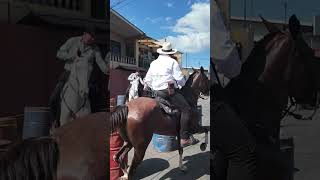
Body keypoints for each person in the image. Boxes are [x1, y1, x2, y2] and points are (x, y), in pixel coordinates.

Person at [212, 1, 256, 180]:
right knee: (244, 149)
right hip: (213, 95)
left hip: (157, 93)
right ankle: (183, 135)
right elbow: (231, 65)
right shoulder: (209, 7)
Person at [144, 41, 199, 148]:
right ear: (170, 52)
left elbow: (148, 80)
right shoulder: (173, 62)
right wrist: (181, 84)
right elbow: (180, 80)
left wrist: (155, 87)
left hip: (157, 92)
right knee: (186, 109)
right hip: (169, 92)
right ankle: (184, 138)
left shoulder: (153, 63)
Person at [56, 26, 109, 125]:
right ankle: (54, 122)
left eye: (94, 38)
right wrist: (71, 57)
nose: (92, 39)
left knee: (97, 98)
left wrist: (108, 69)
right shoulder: (73, 41)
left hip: (85, 79)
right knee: (55, 96)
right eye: (91, 36)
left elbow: (101, 64)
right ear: (85, 33)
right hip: (68, 73)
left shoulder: (95, 49)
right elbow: (59, 53)